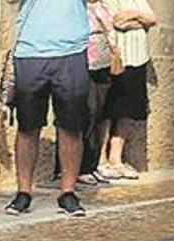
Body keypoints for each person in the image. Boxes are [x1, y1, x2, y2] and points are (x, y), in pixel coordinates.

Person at [4, 0, 90, 217]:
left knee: (71, 126)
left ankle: (68, 192)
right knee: (27, 126)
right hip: (30, 51)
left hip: (72, 50)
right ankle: (23, 192)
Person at [52, 0, 118, 187]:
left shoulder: (102, 6)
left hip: (102, 66)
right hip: (81, 63)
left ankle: (90, 165)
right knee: (84, 113)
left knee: (97, 113)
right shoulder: (76, 8)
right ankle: (72, 168)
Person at [99, 0, 156, 180]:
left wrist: (132, 17)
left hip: (138, 58)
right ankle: (101, 160)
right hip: (116, 59)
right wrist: (139, 20)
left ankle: (116, 158)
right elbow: (116, 22)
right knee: (107, 111)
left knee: (129, 110)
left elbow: (152, 19)